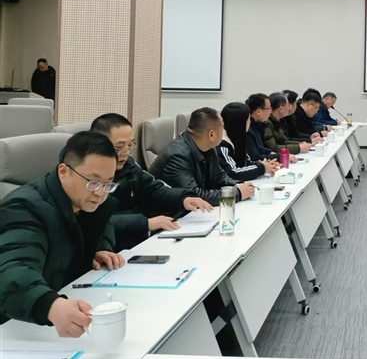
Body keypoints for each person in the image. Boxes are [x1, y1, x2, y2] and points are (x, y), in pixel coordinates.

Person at [0, 132, 126, 334]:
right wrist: (50, 306)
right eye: (93, 181)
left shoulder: (90, 201)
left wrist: (101, 247)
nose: (100, 192)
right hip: (17, 323)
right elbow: (13, 270)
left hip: (68, 302)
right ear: (63, 171)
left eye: (107, 183)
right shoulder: (24, 208)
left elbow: (104, 225)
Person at [90, 113, 212, 251]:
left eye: (130, 146)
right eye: (119, 148)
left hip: (135, 241)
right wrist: (145, 223)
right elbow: (96, 219)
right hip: (110, 247)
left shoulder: (129, 165)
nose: (126, 153)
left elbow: (153, 188)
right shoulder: (89, 177)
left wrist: (183, 198)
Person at [150, 108, 255, 205]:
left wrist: (237, 185)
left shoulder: (208, 146)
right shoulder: (178, 156)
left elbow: (220, 176)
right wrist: (237, 193)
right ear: (211, 135)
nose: (224, 132)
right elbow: (194, 196)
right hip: (173, 213)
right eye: (222, 128)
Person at [219, 103, 281, 181]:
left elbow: (247, 163)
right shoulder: (222, 144)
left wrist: (264, 165)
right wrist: (262, 168)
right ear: (240, 123)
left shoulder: (239, 138)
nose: (250, 122)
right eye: (248, 119)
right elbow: (232, 173)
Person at [245, 93, 283, 162]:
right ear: (258, 111)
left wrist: (270, 152)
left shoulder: (258, 125)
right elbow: (255, 157)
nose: (270, 111)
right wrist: (280, 156)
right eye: (269, 108)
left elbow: (260, 148)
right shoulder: (248, 129)